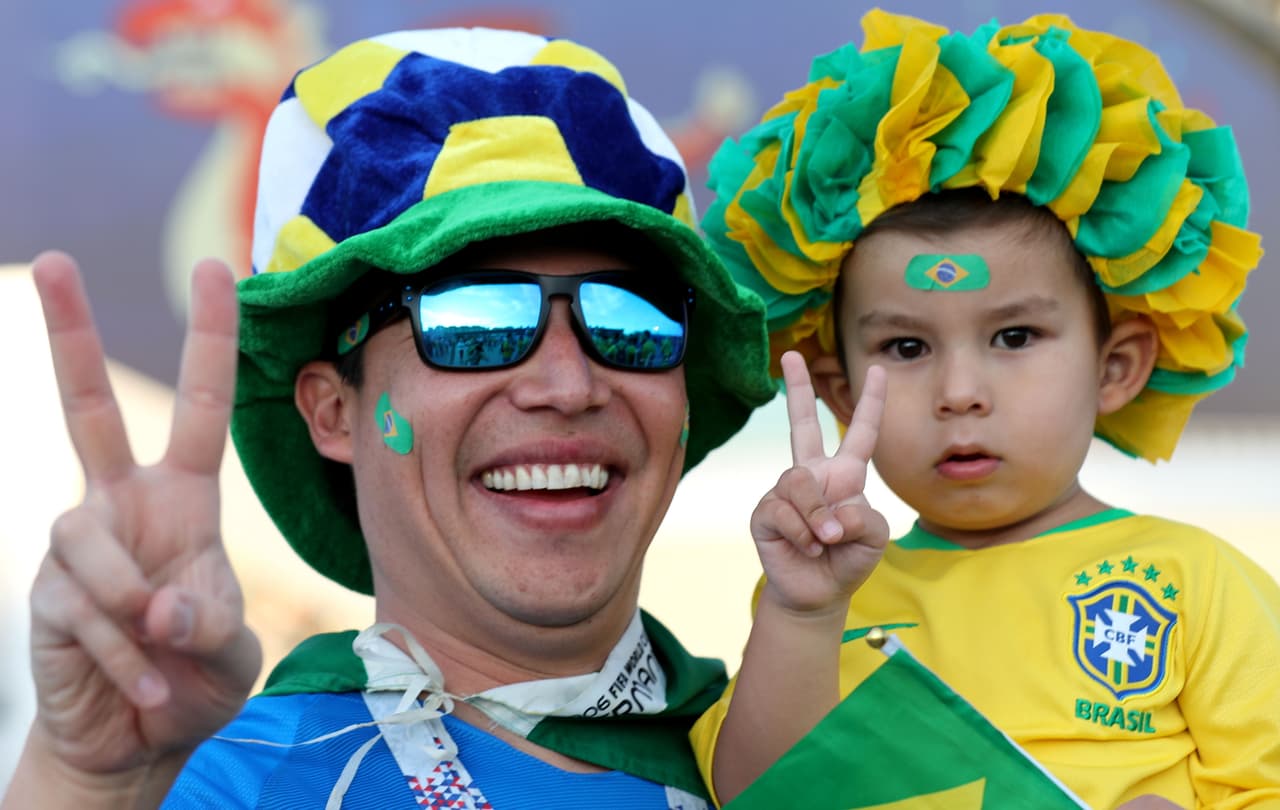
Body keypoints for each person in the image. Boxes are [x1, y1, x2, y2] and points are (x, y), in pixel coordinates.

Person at [2, 27, 780, 809]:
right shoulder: (220, 786)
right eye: (474, 318)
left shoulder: (837, 751)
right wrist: (81, 785)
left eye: (630, 318)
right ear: (332, 411)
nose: (569, 383)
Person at [689, 9, 1279, 809]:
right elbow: (757, 795)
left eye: (1014, 334)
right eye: (905, 348)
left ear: (1116, 367)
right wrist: (801, 613)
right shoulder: (826, 592)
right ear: (837, 388)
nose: (959, 392)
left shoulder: (1197, 584)